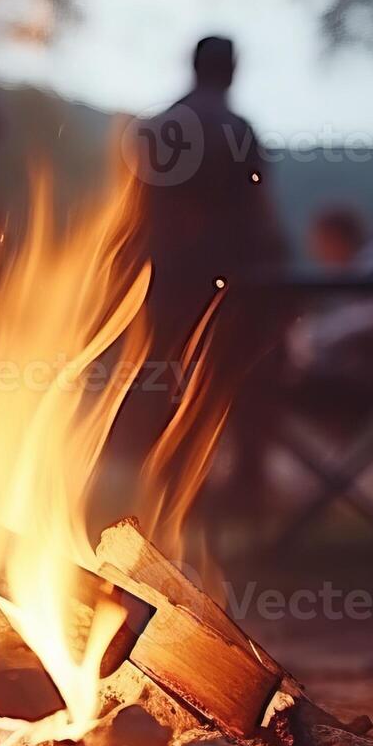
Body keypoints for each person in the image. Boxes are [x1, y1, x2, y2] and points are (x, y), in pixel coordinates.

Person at [127, 36, 289, 511]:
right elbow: (257, 205)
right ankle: (244, 483)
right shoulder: (237, 129)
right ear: (232, 70)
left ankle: (172, 479)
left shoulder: (159, 127)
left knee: (167, 374)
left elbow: (137, 207)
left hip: (170, 275)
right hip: (235, 280)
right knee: (241, 376)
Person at [285, 204, 373, 395]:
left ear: (336, 238)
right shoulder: (363, 267)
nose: (319, 257)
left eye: (321, 246)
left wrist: (315, 334)